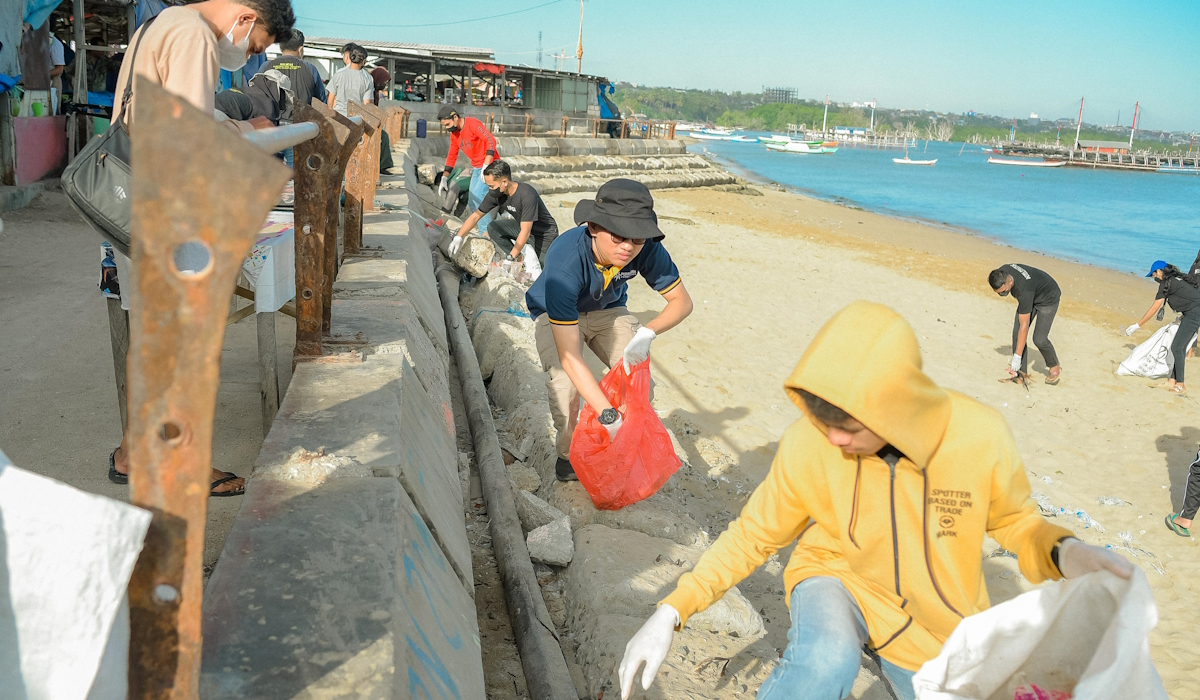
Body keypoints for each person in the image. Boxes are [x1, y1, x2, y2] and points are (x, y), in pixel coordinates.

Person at [617, 301, 1134, 700]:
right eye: (824, 424)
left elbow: (1017, 523)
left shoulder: (978, 435)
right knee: (826, 659)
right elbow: (753, 536)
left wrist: (1066, 552)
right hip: (834, 572)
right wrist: (670, 612)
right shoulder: (810, 442)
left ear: (894, 410)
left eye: (848, 428)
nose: (834, 441)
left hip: (938, 622)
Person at [107, 0, 296, 498]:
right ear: (246, 18)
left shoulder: (160, 22)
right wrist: (249, 136)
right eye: (254, 44)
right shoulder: (193, 35)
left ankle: (131, 454)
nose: (247, 53)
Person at [525, 179, 693, 482]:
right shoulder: (565, 263)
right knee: (566, 388)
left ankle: (619, 446)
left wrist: (648, 332)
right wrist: (607, 414)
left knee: (639, 382)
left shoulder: (644, 246)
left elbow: (681, 302)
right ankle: (567, 457)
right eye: (617, 236)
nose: (628, 246)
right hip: (558, 313)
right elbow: (571, 358)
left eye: (637, 238)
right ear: (593, 226)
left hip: (607, 310)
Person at [448, 160, 558, 268]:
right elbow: (476, 216)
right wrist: (459, 237)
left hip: (544, 234)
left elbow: (526, 231)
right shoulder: (496, 194)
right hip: (523, 227)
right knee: (493, 228)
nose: (489, 189)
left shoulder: (527, 195)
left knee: (545, 269)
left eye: (491, 186)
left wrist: (510, 258)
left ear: (504, 182)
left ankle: (514, 257)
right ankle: (519, 258)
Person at [1125, 260, 1200, 395]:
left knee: (1177, 347)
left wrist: (1138, 325)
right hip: (1192, 312)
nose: (1154, 278)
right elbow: (1188, 296)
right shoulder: (1174, 279)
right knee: (1179, 347)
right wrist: (1185, 313)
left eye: (1154, 275)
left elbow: (1155, 307)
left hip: (1195, 314)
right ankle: (1172, 381)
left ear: (1159, 271)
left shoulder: (1167, 282)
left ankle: (1181, 384)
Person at [988, 263, 1062, 385]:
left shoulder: (1023, 290)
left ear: (1010, 281)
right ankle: (1021, 376)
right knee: (1017, 335)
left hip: (1048, 299)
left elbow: (1024, 326)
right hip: (1032, 295)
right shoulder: (1001, 272)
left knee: (1039, 339)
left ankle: (1054, 365)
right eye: (999, 293)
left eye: (1004, 292)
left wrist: (1017, 356)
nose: (1003, 295)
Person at [437, 104, 498, 233]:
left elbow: (491, 140)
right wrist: (444, 177)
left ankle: (486, 232)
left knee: (479, 198)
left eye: (448, 124)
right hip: (476, 167)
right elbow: (452, 155)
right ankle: (485, 227)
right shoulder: (455, 135)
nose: (447, 128)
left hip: (490, 164)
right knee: (471, 201)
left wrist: (486, 165)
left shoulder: (472, 124)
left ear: (455, 117)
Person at [258, 29, 322, 112]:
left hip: (272, 122)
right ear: (300, 49)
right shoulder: (310, 69)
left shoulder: (265, 67)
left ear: (281, 48)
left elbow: (255, 96)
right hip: (302, 123)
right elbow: (321, 103)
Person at [214, 69, 290, 124]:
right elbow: (266, 134)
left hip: (207, 105)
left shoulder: (249, 91)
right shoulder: (265, 105)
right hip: (219, 116)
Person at [325, 43, 372, 116]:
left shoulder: (339, 74)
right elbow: (367, 105)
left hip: (338, 118)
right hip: (356, 120)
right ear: (364, 61)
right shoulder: (368, 78)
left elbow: (330, 102)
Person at [48, 34, 65, 114]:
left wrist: (41, 75)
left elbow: (59, 70)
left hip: (53, 81)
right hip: (41, 80)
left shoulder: (55, 44)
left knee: (52, 111)